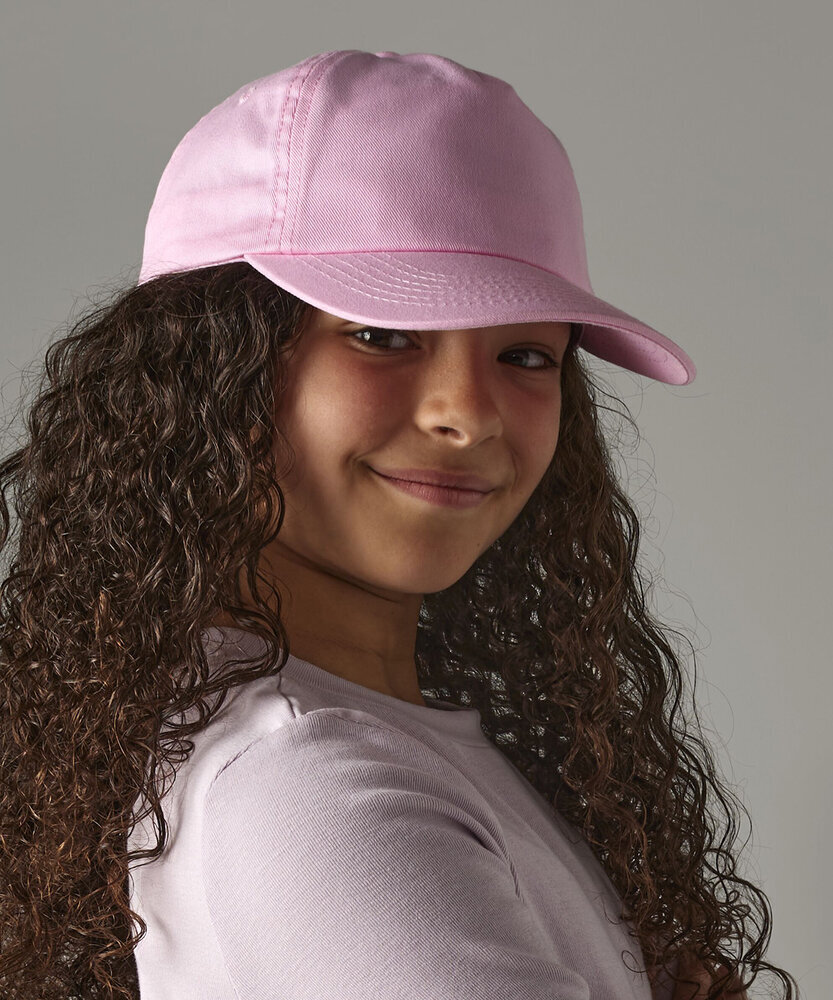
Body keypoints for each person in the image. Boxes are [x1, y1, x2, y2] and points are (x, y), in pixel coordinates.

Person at [0, 50, 798, 1000]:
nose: (468, 413)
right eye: (379, 335)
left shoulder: (378, 742)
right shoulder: (312, 783)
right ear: (205, 371)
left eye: (526, 355)